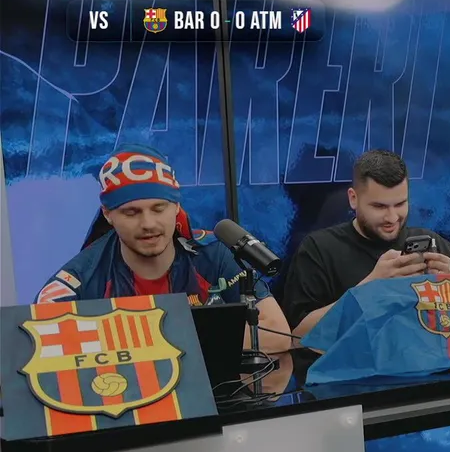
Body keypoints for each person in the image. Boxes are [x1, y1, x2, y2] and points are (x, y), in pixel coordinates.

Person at [35, 146, 291, 353]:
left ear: (176, 206)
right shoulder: (78, 279)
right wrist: (199, 336)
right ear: (108, 214)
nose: (148, 223)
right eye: (131, 212)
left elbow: (279, 334)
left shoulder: (213, 252)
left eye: (159, 208)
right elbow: (39, 350)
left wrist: (152, 339)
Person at [282, 149, 450, 337]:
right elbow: (299, 336)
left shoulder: (434, 245)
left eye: (400, 204)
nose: (392, 217)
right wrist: (371, 288)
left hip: (424, 353)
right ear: (353, 199)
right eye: (379, 206)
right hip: (353, 356)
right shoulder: (319, 249)